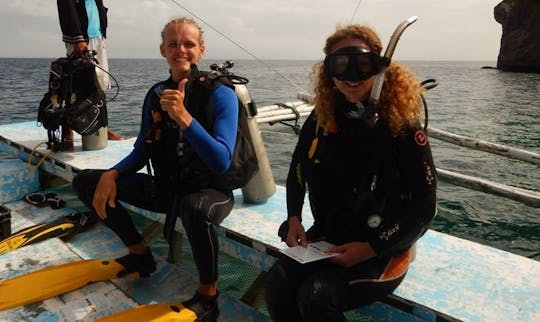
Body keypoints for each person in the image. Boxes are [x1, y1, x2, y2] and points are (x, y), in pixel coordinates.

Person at [264, 24, 438, 322]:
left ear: (379, 66)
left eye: (362, 64)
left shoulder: (401, 125)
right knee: (277, 283)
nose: (351, 77)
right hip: (328, 239)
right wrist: (294, 217)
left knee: (317, 297)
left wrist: (371, 248)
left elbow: (425, 204)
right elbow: (297, 168)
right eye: (340, 65)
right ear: (328, 72)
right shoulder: (323, 117)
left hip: (383, 249)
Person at [72, 17, 239, 322]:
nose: (181, 49)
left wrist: (184, 118)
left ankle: (208, 295)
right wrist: (111, 175)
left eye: (189, 44)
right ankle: (140, 256)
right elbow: (142, 150)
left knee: (194, 208)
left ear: (200, 50)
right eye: (173, 44)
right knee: (86, 181)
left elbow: (221, 161)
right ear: (163, 50)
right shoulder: (156, 94)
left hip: (211, 191)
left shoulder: (220, 93)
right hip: (167, 188)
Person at [57, 0, 122, 148]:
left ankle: (101, 127)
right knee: (75, 86)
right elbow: (66, 9)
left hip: (98, 37)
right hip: (80, 39)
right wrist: (77, 38)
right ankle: (67, 134)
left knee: (100, 83)